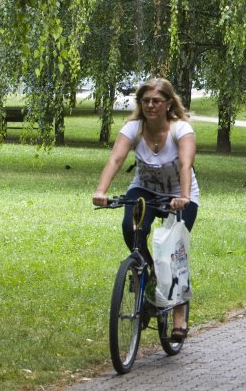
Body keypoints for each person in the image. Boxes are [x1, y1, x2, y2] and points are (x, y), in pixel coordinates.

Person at [92, 77, 199, 342]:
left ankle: (178, 320)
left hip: (179, 194)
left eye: (157, 101)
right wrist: (101, 191)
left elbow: (186, 165)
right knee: (130, 227)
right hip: (145, 190)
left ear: (168, 104)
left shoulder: (181, 130)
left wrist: (183, 197)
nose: (151, 106)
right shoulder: (134, 128)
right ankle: (149, 277)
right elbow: (116, 158)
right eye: (146, 101)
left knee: (173, 251)